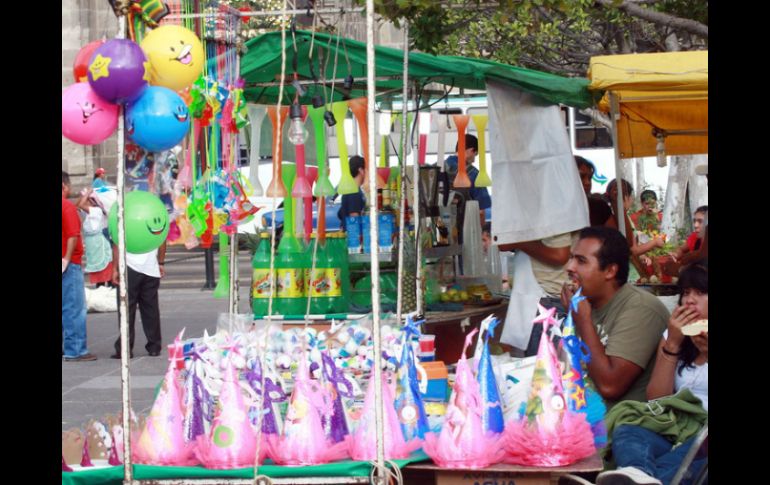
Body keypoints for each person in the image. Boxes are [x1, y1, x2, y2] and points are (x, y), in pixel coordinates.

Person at [596, 261, 708, 485]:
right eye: (686, 292)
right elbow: (657, 399)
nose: (690, 300)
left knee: (687, 459)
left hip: (703, 435)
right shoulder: (675, 334)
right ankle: (637, 472)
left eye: (701, 292)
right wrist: (673, 344)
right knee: (628, 430)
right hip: (675, 424)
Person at [560, 227, 669, 408]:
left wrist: (582, 321)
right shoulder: (584, 304)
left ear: (610, 271)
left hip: (620, 426)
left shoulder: (642, 308)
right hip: (577, 416)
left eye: (581, 261)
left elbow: (610, 386)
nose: (569, 267)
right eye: (572, 258)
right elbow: (563, 368)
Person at [498, 229, 574, 356]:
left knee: (546, 371)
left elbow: (560, 255)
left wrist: (518, 241)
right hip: (546, 297)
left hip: (549, 299)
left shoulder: (556, 213)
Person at [62, 171, 97, 362]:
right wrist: (66, 259)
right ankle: (75, 349)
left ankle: (68, 346)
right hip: (69, 263)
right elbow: (72, 235)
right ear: (65, 187)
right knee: (74, 308)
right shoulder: (66, 207)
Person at [111, 240, 167, 358]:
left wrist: (115, 268)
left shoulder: (122, 220)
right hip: (150, 267)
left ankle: (125, 347)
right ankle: (154, 346)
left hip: (129, 266)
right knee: (151, 308)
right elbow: (162, 238)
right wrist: (161, 262)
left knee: (126, 309)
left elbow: (117, 243)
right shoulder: (153, 220)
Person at [444, 133, 492, 216]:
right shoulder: (474, 174)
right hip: (466, 227)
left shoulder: (437, 169)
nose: (474, 160)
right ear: (471, 150)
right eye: (475, 154)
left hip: (438, 226)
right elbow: (481, 212)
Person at [76, 188, 114, 288]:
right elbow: (76, 206)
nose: (84, 200)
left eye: (87, 199)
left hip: (99, 246)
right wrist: (84, 195)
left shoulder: (96, 210)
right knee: (99, 278)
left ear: (92, 201)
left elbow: (80, 205)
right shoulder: (89, 212)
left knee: (105, 276)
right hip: (94, 248)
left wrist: (88, 193)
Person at [575, 156, 612, 227]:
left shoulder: (599, 207)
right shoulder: (553, 210)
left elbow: (615, 237)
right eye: (581, 177)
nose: (587, 182)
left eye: (590, 178)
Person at [337, 155, 367, 231]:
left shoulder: (350, 190)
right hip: (354, 239)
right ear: (361, 170)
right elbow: (354, 218)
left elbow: (340, 213)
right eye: (366, 169)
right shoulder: (354, 192)